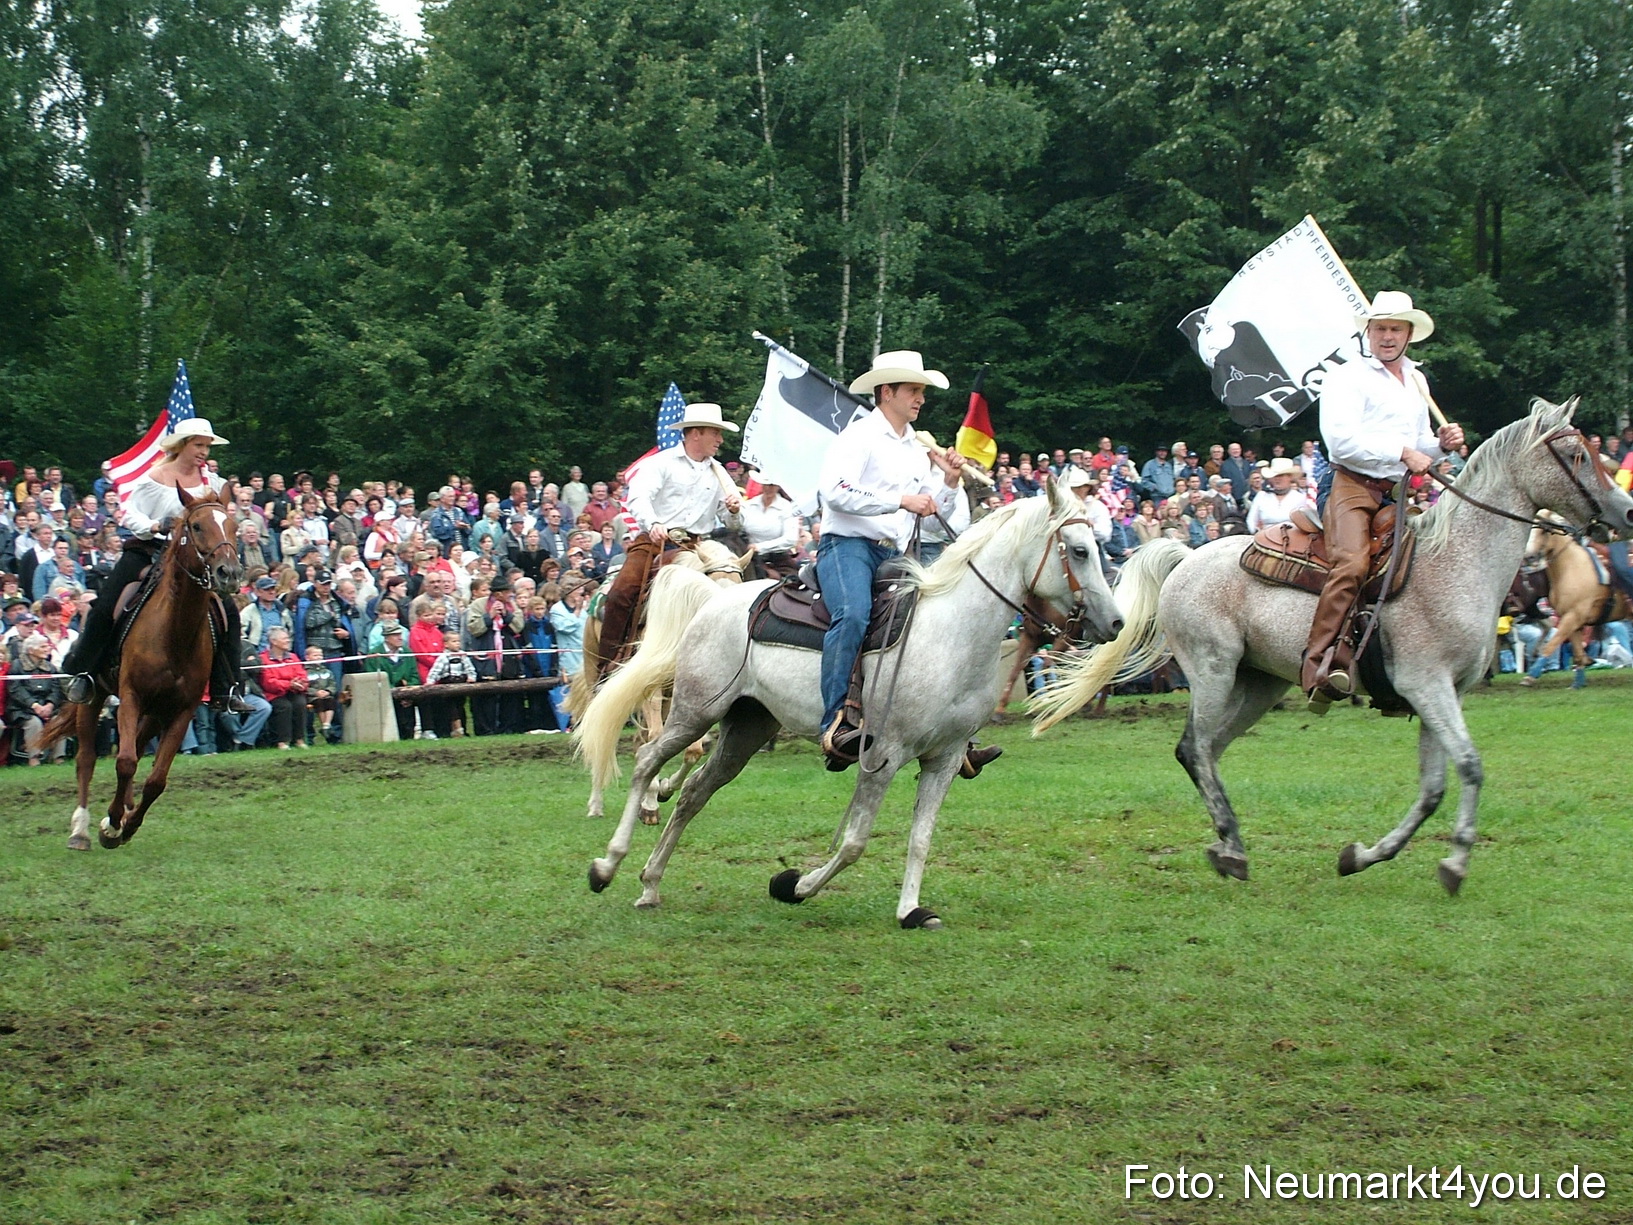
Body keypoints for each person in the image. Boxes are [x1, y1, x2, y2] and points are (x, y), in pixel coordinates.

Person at [1303, 291, 1464, 711]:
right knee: (1353, 564)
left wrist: (1441, 445)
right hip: (1349, 484)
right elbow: (1340, 442)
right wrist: (1401, 452)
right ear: (1368, 333)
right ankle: (1317, 665)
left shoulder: (1416, 380)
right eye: (1380, 329)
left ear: (1409, 334)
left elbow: (1420, 445)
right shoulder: (1346, 376)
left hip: (1396, 492)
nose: (1388, 336)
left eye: (1395, 329)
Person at [815, 351, 964, 768]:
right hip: (846, 546)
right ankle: (836, 723)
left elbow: (933, 516)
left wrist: (949, 483)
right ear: (887, 392)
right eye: (914, 390)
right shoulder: (858, 437)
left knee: (941, 620)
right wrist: (901, 500)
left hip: (894, 553)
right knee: (854, 614)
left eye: (921, 391)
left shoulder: (915, 448)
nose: (921, 398)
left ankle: (950, 730)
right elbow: (835, 491)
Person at [61, 419, 250, 712]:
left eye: (207, 446)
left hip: (190, 559)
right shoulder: (155, 477)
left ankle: (228, 689)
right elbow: (128, 514)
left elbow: (218, 520)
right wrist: (154, 525)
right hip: (147, 549)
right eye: (199, 445)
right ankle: (84, 672)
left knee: (229, 615)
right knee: (106, 605)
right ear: (183, 445)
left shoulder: (213, 482)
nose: (204, 451)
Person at [592, 403, 743, 682]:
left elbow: (732, 522)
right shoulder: (659, 463)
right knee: (622, 593)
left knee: (732, 585)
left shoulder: (720, 473)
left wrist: (733, 511)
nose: (720, 440)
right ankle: (609, 666)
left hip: (698, 547)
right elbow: (638, 498)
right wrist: (654, 524)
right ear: (695, 433)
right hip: (654, 542)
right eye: (715, 433)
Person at [367, 622, 421, 742]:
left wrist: (408, 693)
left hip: (407, 698)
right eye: (395, 635)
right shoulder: (375, 654)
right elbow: (372, 678)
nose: (400, 638)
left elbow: (414, 675)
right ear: (386, 637)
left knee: (407, 720)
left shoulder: (407, 652)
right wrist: (395, 693)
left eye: (400, 634)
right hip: (385, 698)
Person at [258, 626, 309, 749]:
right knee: (284, 706)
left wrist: (300, 684)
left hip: (294, 691)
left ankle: (299, 739)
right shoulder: (263, 658)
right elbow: (268, 682)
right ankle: (282, 741)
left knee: (300, 704)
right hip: (274, 694)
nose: (288, 641)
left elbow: (302, 675)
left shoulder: (293, 657)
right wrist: (288, 684)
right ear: (273, 641)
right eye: (284, 638)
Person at [740, 477, 802, 579]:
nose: (769, 488)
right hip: (749, 558)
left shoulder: (787, 507)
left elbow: (791, 539)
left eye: (772, 485)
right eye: (766, 485)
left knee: (794, 584)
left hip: (777, 559)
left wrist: (759, 547)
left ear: (778, 486)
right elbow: (738, 527)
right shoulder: (749, 505)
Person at [1244, 458, 1310, 532]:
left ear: (1289, 477)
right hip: (1265, 537)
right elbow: (1251, 520)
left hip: (1293, 538)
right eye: (1275, 476)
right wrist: (1255, 533)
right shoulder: (1261, 496)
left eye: (1281, 476)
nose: (1277, 479)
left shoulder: (1300, 497)